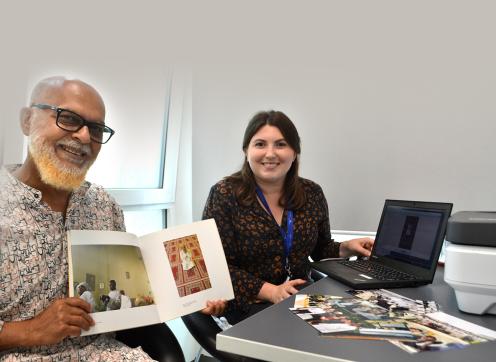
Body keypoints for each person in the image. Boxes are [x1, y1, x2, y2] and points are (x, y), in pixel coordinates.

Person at [0, 76, 224, 360]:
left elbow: (134, 291)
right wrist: (30, 330)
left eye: (95, 129)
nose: (84, 137)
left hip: (102, 352)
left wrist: (188, 298)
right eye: (68, 118)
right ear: (27, 120)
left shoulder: (103, 205)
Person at [203, 110, 374, 324]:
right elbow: (216, 266)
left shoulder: (312, 192)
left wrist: (347, 247)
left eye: (281, 144)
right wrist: (271, 292)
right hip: (251, 304)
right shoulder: (224, 194)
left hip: (303, 298)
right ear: (246, 150)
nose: (270, 153)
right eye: (260, 144)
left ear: (294, 152)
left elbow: (321, 249)